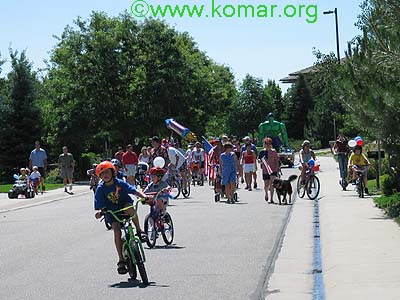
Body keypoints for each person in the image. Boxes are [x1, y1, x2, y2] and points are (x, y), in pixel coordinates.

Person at [94, 161, 149, 275]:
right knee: (117, 231)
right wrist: (100, 212)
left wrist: (144, 196)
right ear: (100, 176)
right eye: (102, 173)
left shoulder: (119, 183)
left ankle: (139, 231)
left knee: (129, 207)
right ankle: (121, 260)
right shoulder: (100, 188)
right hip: (113, 213)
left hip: (124, 207)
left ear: (113, 172)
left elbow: (133, 190)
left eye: (108, 172)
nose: (105, 175)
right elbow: (100, 206)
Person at [258, 138, 280, 203]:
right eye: (266, 143)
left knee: (272, 184)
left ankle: (272, 199)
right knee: (266, 185)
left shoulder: (274, 151)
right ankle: (266, 193)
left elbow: (277, 161)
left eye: (268, 143)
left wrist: (277, 168)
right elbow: (259, 160)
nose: (267, 145)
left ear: (270, 144)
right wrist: (260, 161)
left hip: (273, 170)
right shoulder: (262, 152)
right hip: (265, 170)